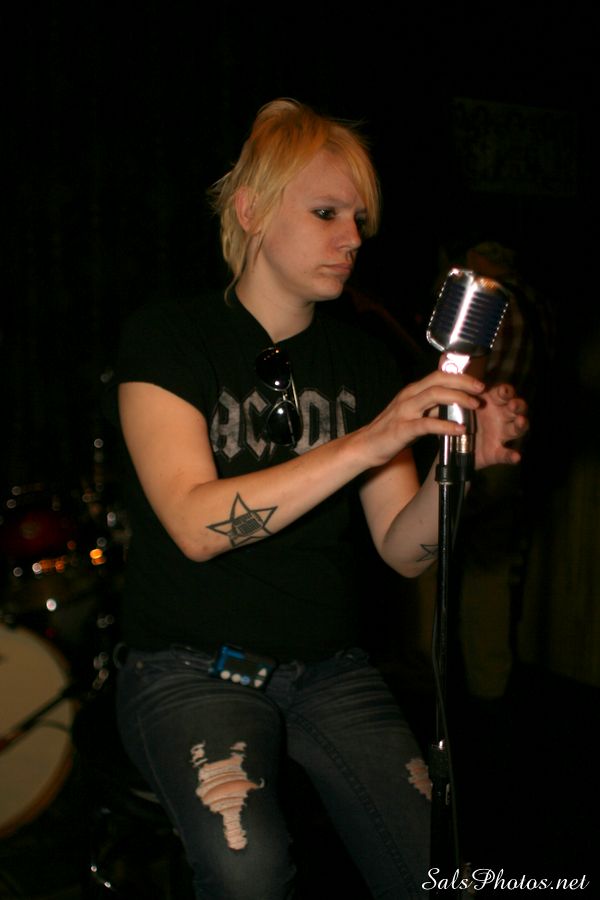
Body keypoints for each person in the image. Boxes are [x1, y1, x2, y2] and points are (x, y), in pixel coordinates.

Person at [106, 99, 528, 900]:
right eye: (327, 213)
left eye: (359, 219)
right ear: (252, 211)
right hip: (190, 668)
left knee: (439, 872)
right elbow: (196, 525)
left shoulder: (362, 361)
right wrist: (366, 442)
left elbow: (403, 550)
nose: (353, 238)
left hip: (330, 671)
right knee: (249, 868)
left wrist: (459, 467)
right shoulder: (169, 338)